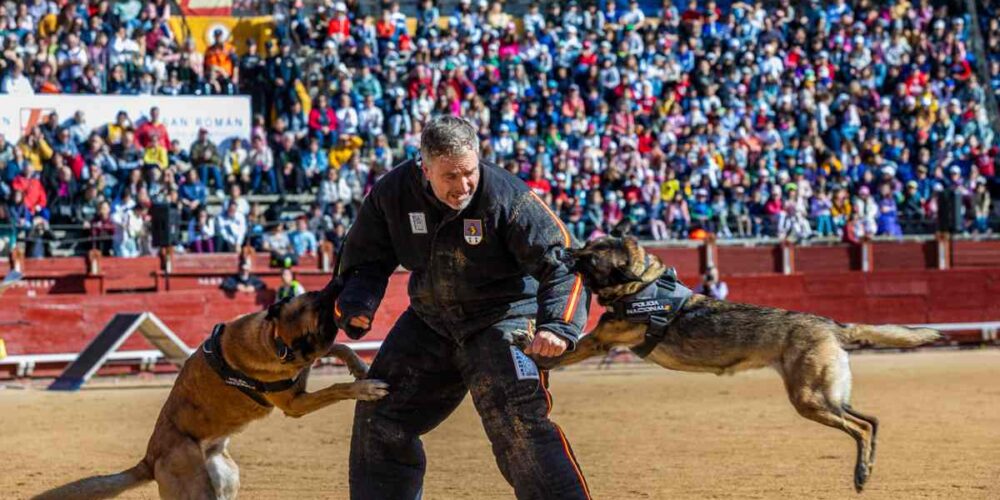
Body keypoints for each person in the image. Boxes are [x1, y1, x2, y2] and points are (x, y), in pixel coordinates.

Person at [332, 116, 591, 499]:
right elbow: (366, 258)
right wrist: (357, 303)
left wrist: (558, 326)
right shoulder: (392, 194)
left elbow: (564, 261)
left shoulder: (508, 197)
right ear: (425, 167)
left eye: (469, 172)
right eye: (450, 177)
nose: (463, 186)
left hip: (503, 317)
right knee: (380, 414)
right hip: (431, 321)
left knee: (518, 421)